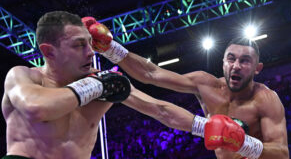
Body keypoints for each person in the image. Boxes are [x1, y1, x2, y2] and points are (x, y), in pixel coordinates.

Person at [85, 17, 290, 159]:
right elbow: (151, 74)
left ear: (257, 68)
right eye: (231, 59)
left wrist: (243, 142)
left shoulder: (266, 99)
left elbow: (282, 154)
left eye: (245, 61)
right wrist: (110, 49)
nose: (236, 66)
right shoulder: (205, 84)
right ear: (223, 62)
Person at [1, 11, 197, 159]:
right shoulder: (23, 76)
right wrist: (94, 86)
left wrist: (207, 127)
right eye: (79, 45)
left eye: (90, 43)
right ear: (49, 52)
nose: (91, 52)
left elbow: (160, 110)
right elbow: (36, 108)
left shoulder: (103, 81)